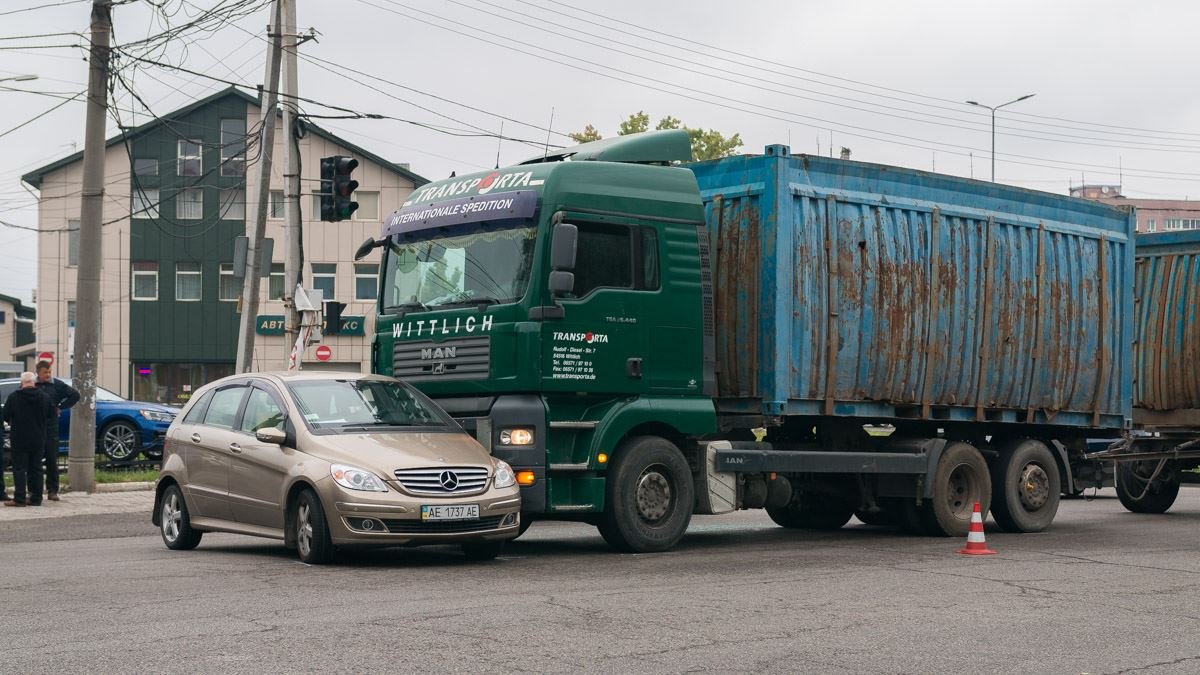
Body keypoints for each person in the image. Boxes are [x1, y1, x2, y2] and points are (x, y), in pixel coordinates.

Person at [3, 372, 53, 507]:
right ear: (34, 382)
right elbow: (51, 414)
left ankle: (19, 498)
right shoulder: (45, 397)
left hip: (19, 438)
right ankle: (36, 498)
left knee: (19, 468)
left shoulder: (14, 397)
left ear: (22, 383)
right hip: (38, 437)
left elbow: (6, 416)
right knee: (36, 468)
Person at [35, 360, 78, 502]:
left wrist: (61, 406)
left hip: (51, 425)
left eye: (49, 372)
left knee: (52, 459)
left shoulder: (57, 385)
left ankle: (52, 490)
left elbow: (74, 395)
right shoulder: (33, 385)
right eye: (44, 372)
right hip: (35, 426)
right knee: (35, 460)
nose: (47, 375)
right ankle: (34, 490)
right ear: (38, 373)